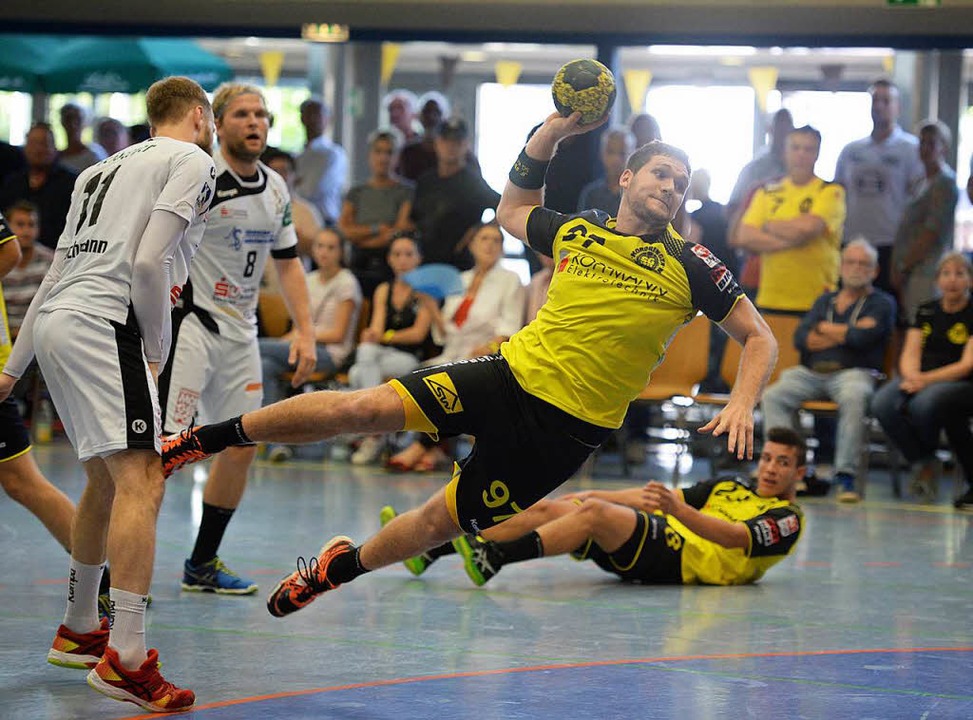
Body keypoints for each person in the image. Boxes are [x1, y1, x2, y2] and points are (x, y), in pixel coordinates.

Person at [160, 111, 777, 622]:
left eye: (682, 181)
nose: (672, 187)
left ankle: (335, 569)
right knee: (362, 406)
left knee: (438, 522)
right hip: (506, 378)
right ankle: (200, 440)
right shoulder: (581, 231)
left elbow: (759, 338)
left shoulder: (692, 262)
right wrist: (550, 135)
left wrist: (743, 398)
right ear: (626, 178)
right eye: (662, 173)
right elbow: (512, 210)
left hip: (565, 433)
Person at [0, 75, 216, 712]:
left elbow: (56, 274)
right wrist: (155, 348)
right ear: (200, 116)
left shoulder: (95, 172)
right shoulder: (192, 161)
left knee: (102, 477)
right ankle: (124, 656)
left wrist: (13, 370)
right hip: (105, 324)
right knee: (143, 477)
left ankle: (79, 626)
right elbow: (149, 264)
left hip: (57, 320)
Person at [159, 82, 316, 595]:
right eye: (243, 114)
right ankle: (113, 576)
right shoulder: (198, 175)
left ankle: (201, 563)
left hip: (241, 334)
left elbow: (289, 266)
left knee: (242, 444)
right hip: (191, 329)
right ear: (217, 123)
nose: (255, 123)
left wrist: (306, 331)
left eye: (263, 115)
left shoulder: (274, 187)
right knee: (161, 454)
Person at [384, 426, 806, 587]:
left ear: (798, 473)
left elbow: (736, 538)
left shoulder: (788, 520)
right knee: (564, 508)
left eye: (782, 462)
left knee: (595, 517)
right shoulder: (731, 485)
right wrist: (591, 494)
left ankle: (496, 557)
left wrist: (678, 514)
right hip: (662, 535)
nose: (769, 468)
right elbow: (657, 500)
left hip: (685, 562)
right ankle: (432, 551)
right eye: (767, 458)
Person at [761, 239, 895, 502]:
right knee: (773, 395)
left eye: (863, 264)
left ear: (875, 271)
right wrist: (848, 332)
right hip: (811, 372)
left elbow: (865, 338)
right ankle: (789, 471)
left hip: (854, 371)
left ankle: (846, 477)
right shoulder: (825, 300)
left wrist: (824, 329)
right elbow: (801, 338)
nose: (856, 268)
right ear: (841, 266)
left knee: (855, 396)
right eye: (851, 262)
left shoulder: (882, 302)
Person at [385, 220, 525, 472]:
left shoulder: (510, 280)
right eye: (484, 239)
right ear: (472, 245)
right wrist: (430, 307)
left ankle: (422, 447)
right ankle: (437, 449)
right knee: (417, 377)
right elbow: (443, 335)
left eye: (496, 240)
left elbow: (510, 329)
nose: (490, 245)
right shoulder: (460, 279)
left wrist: (488, 347)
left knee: (449, 383)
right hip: (452, 355)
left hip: (486, 359)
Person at [871, 253, 973, 505]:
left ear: (970, 280)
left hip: (959, 382)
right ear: (937, 279)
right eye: (946, 273)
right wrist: (912, 376)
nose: (953, 280)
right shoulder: (926, 309)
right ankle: (923, 460)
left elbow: (967, 364)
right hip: (919, 377)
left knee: (924, 404)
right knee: (882, 402)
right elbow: (910, 353)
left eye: (960, 274)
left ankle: (925, 465)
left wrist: (924, 381)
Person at [259, 228, 362, 462]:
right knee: (264, 364)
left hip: (329, 353)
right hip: (303, 344)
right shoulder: (308, 279)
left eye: (331, 247)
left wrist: (301, 337)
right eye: (320, 246)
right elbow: (298, 327)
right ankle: (276, 442)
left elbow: (337, 334)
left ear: (341, 252)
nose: (324, 252)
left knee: (252, 347)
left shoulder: (346, 282)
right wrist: (289, 339)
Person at [733, 125, 846, 314]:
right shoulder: (766, 192)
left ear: (817, 153)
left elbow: (808, 228)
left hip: (817, 298)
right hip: (771, 297)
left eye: (808, 149)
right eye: (795, 147)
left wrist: (768, 225)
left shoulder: (830, 191)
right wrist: (795, 240)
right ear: (785, 151)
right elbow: (744, 236)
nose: (801, 154)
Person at [348, 234, 433, 465]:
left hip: (409, 357)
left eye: (408, 254)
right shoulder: (383, 290)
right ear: (389, 259)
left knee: (358, 371)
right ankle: (376, 427)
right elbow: (375, 329)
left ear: (418, 259)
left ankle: (371, 427)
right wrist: (371, 336)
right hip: (381, 355)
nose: (402, 260)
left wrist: (385, 336)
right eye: (397, 254)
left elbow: (417, 334)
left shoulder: (425, 291)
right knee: (365, 351)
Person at [834, 80, 924, 296]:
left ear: (898, 107)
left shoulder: (912, 149)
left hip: (891, 245)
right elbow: (837, 195)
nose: (880, 106)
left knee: (888, 312)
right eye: (875, 100)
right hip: (852, 242)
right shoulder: (850, 150)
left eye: (886, 100)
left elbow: (918, 201)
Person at [890, 120, 959, 325]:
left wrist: (903, 265)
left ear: (944, 148)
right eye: (922, 143)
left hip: (927, 271)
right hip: (910, 272)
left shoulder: (945, 183)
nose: (925, 149)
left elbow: (931, 232)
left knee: (923, 326)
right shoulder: (921, 181)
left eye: (932, 143)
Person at [410, 117, 499, 270]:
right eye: (446, 140)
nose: (451, 146)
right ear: (437, 143)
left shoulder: (473, 182)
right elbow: (412, 218)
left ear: (466, 144)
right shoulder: (425, 180)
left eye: (457, 142)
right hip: (424, 263)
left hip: (461, 266)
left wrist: (478, 231)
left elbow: (503, 208)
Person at [338, 129, 415, 298]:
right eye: (378, 151)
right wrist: (376, 229)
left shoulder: (406, 191)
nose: (383, 158)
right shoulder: (356, 192)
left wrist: (362, 237)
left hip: (392, 266)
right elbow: (344, 230)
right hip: (358, 264)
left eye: (389, 152)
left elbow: (398, 232)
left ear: (397, 157)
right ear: (370, 155)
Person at [726, 108, 794, 297]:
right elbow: (733, 216)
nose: (783, 132)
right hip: (755, 256)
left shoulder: (799, 173)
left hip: (791, 262)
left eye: (788, 128)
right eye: (779, 127)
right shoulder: (755, 170)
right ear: (769, 130)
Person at [688, 169, 734, 393]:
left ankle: (709, 379)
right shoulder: (722, 211)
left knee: (705, 338)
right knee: (722, 336)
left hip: (706, 280)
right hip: (728, 280)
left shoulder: (696, 217)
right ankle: (717, 380)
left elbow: (690, 245)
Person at [0, 123, 77, 251]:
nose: (38, 149)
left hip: (59, 257)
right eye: (33, 143)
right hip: (14, 258)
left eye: (44, 143)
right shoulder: (12, 183)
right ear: (25, 148)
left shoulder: (71, 183)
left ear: (55, 148)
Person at [260, 147, 323, 268]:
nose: (280, 177)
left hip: (295, 279)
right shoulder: (255, 206)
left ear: (294, 176)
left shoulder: (307, 211)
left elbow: (319, 251)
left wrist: (290, 236)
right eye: (274, 171)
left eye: (284, 171)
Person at [1, 200, 54, 337]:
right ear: (7, 228)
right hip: (5, 335)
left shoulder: (50, 261)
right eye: (20, 225)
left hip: (39, 336)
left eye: (31, 225)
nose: (26, 231)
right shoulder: (2, 261)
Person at [295, 97, 348, 226]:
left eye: (318, 115)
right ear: (302, 119)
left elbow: (314, 189)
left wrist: (296, 185)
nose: (313, 119)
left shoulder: (334, 154)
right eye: (309, 114)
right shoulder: (296, 156)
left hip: (325, 221)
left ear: (328, 119)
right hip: (298, 221)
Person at [576, 126, 636, 215]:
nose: (615, 159)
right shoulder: (592, 194)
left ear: (632, 156)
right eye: (610, 152)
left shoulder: (637, 194)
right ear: (601, 153)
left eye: (622, 153)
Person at [398, 91, 450, 182]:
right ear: (419, 116)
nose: (431, 117)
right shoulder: (408, 151)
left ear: (444, 117)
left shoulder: (453, 152)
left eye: (436, 112)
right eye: (427, 112)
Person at [57, 103, 106, 173]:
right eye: (68, 119)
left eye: (77, 119)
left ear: (84, 122)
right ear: (62, 122)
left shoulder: (94, 155)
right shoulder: (56, 158)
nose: (73, 124)